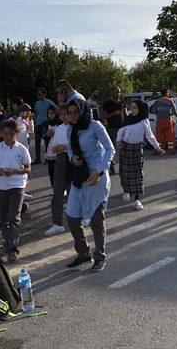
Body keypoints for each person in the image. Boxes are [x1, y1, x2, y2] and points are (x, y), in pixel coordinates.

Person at [65, 99, 115, 272]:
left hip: (96, 177)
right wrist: (72, 158)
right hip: (79, 177)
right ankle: (83, 252)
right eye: (69, 112)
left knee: (96, 220)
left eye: (75, 112)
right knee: (71, 216)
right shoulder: (70, 129)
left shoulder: (95, 126)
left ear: (83, 111)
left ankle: (100, 256)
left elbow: (110, 149)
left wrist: (100, 171)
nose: (72, 116)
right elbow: (69, 150)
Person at [0, 119, 32, 263]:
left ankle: (12, 250)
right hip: (1, 186)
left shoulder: (21, 149)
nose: (7, 137)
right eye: (5, 134)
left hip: (17, 186)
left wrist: (15, 171)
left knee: (14, 217)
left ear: (16, 134)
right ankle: (7, 242)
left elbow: (28, 168)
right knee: (3, 218)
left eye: (10, 134)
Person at [116, 100, 165, 210]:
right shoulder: (128, 119)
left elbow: (150, 136)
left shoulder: (144, 121)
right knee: (125, 173)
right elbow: (120, 132)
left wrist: (157, 147)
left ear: (141, 109)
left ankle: (137, 200)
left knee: (138, 175)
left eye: (134, 108)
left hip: (137, 149)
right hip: (125, 149)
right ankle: (126, 191)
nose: (132, 110)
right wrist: (118, 140)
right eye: (132, 107)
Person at [44, 104, 71, 236]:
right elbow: (54, 148)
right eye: (61, 114)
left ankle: (82, 217)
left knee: (75, 191)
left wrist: (64, 147)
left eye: (66, 113)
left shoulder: (75, 127)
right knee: (57, 191)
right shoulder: (59, 128)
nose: (63, 116)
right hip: (60, 160)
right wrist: (62, 148)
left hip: (73, 159)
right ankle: (57, 223)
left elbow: (75, 146)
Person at [102, 86, 127, 175]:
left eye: (119, 92)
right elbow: (104, 117)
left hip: (122, 128)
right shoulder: (107, 103)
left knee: (122, 148)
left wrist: (127, 125)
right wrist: (114, 113)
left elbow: (125, 114)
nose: (118, 94)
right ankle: (112, 168)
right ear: (112, 92)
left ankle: (122, 168)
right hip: (112, 128)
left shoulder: (122, 102)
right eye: (116, 92)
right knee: (112, 149)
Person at [150, 88, 177, 155]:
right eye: (168, 92)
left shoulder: (156, 101)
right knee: (170, 136)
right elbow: (174, 111)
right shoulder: (170, 101)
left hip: (160, 121)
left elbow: (154, 111)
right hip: (168, 121)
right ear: (167, 93)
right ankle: (171, 150)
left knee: (159, 136)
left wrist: (160, 111)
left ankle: (158, 150)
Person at [33, 88, 55, 165]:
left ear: (44, 94)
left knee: (46, 141)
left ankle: (47, 158)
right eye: (38, 94)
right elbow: (36, 113)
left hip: (46, 123)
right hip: (38, 123)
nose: (39, 96)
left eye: (40, 94)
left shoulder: (49, 102)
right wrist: (34, 123)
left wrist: (51, 118)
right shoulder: (37, 103)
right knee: (37, 142)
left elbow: (55, 109)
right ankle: (37, 159)